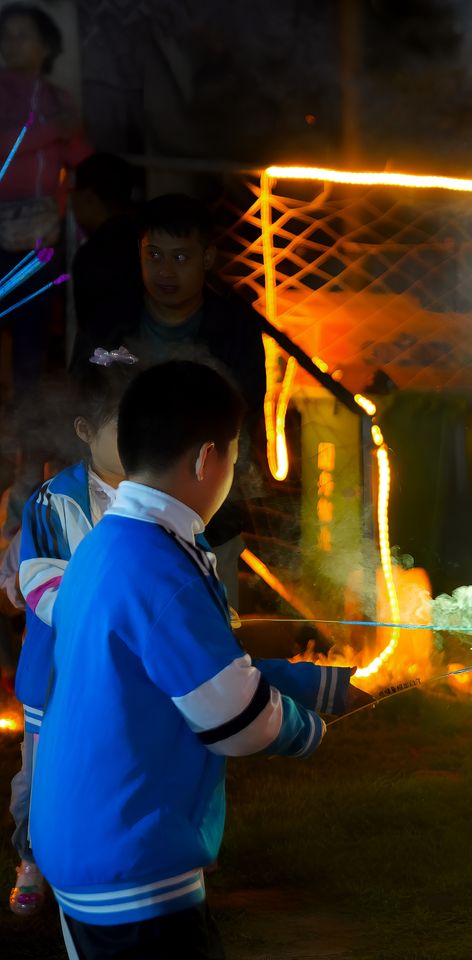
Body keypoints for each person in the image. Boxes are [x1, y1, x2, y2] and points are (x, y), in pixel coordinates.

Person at [29, 360, 367, 959]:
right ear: (207, 459)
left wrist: (324, 685)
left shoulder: (111, 541)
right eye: (235, 461)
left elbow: (197, 670)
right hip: (132, 859)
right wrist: (311, 728)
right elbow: (235, 721)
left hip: (80, 839)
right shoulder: (160, 567)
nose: (233, 475)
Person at [71, 193, 268, 608]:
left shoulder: (234, 329)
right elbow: (79, 396)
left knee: (212, 628)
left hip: (210, 518)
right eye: (154, 254)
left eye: (181, 258)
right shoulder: (110, 323)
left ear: (208, 258)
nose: (164, 270)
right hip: (115, 513)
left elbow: (243, 411)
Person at [8, 348, 138, 916]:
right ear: (85, 430)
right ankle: (32, 857)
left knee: (115, 766)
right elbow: (40, 586)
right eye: (122, 425)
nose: (139, 437)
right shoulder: (53, 502)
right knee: (42, 777)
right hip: (59, 676)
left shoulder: (155, 497)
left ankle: (113, 857)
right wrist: (108, 614)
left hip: (125, 673)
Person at [0, 2, 89, 389]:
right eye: (6, 35)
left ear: (46, 47)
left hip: (41, 240)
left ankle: (27, 435)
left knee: (32, 336)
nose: (10, 43)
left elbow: (79, 156)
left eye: (23, 35)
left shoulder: (60, 99)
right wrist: (53, 131)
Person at [70, 152, 140, 337]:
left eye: (72, 193)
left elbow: (92, 333)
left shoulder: (92, 257)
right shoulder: (150, 241)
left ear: (87, 196)